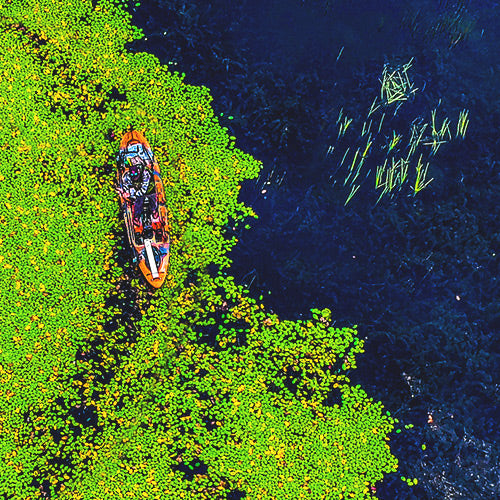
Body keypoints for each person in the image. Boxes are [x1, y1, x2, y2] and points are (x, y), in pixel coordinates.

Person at [118, 155, 158, 226]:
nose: (134, 176)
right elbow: (126, 186)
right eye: (132, 174)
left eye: (136, 174)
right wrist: (125, 192)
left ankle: (154, 211)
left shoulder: (146, 174)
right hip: (137, 193)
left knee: (152, 197)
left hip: (149, 190)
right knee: (138, 202)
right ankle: (136, 217)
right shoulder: (127, 177)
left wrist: (132, 194)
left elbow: (144, 189)